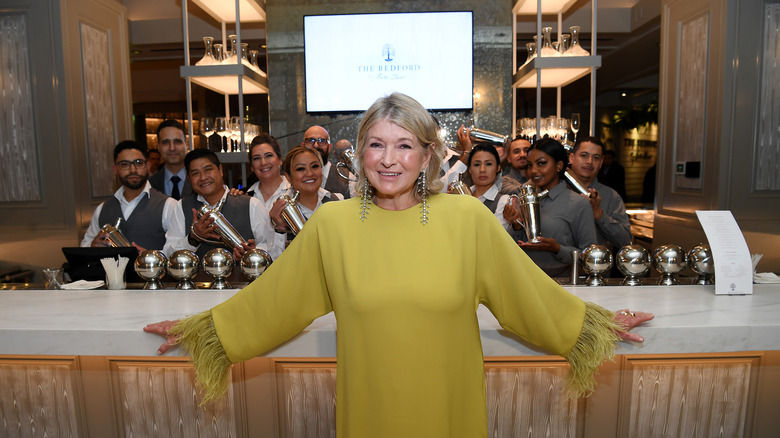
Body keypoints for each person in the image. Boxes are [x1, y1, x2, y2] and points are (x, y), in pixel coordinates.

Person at [145, 93, 652, 438]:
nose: (390, 159)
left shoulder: (467, 220)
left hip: (451, 414)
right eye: (378, 144)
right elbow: (272, 304)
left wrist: (594, 325)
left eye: (405, 145)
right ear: (360, 152)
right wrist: (205, 332)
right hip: (371, 415)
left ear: (427, 154)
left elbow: (527, 297)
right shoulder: (333, 225)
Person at [508, 138, 598, 278]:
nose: (534, 171)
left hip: (562, 284)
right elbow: (512, 249)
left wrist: (557, 249)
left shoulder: (578, 203)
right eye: (530, 165)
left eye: (541, 163)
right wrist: (516, 226)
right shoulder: (525, 198)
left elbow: (590, 256)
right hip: (525, 280)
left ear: (559, 165)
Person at [163, 148, 272, 261]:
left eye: (208, 170)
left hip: (243, 278)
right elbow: (168, 254)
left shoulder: (251, 204)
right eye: (196, 173)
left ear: (220, 170)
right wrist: (193, 238)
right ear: (189, 178)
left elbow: (269, 246)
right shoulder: (181, 207)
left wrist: (253, 253)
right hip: (197, 278)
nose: (203, 178)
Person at [81, 140, 176, 252]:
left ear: (148, 166)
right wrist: (92, 246)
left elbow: (177, 251)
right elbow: (84, 247)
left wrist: (150, 256)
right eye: (125, 165)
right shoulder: (102, 208)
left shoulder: (169, 205)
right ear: (115, 170)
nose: (133, 170)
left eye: (139, 163)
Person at [268, 146, 343, 245]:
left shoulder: (337, 200)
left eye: (315, 166)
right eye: (301, 169)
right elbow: (275, 257)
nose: (310, 173)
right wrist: (280, 229)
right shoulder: (277, 210)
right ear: (288, 177)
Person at [568, 137, 632, 251]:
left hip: (595, 266)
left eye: (596, 158)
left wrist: (600, 215)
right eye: (584, 155)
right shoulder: (556, 190)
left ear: (601, 162)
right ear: (572, 158)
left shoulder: (611, 196)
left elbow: (625, 241)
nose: (589, 162)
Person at [244, 134, 290, 259]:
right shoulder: (244, 198)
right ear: (252, 167)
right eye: (257, 158)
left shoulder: (294, 193)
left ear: (280, 160)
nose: (263, 163)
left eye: (269, 156)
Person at [466, 143, 511, 232]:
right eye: (477, 164)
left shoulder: (503, 201)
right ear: (470, 169)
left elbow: (496, 235)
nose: (482, 170)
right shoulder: (462, 196)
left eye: (488, 164)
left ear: (498, 168)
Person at [301, 125, 352, 199]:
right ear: (303, 145)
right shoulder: (295, 178)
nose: (316, 145)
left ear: (330, 147)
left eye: (322, 141)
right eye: (310, 140)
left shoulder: (348, 177)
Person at [149, 120, 193, 200]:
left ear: (186, 145)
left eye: (177, 141)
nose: (172, 148)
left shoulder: (200, 179)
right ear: (159, 147)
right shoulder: (150, 184)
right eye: (165, 142)